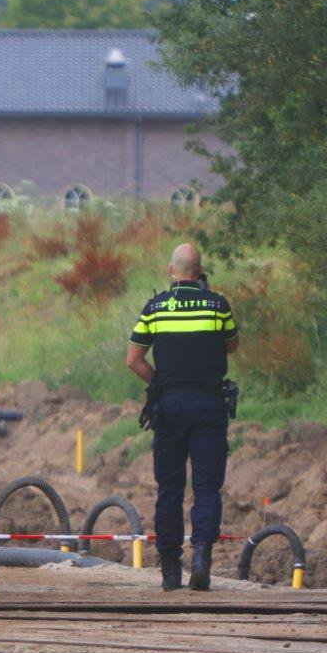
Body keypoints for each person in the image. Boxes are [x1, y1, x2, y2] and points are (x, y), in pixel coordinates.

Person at [127, 243, 239, 592]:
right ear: (200, 271)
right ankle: (202, 558)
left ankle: (171, 571)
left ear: (171, 270)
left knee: (170, 490)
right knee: (206, 487)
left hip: (170, 408)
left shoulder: (156, 307)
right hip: (209, 407)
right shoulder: (218, 304)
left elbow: (134, 359)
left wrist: (159, 383)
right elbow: (232, 345)